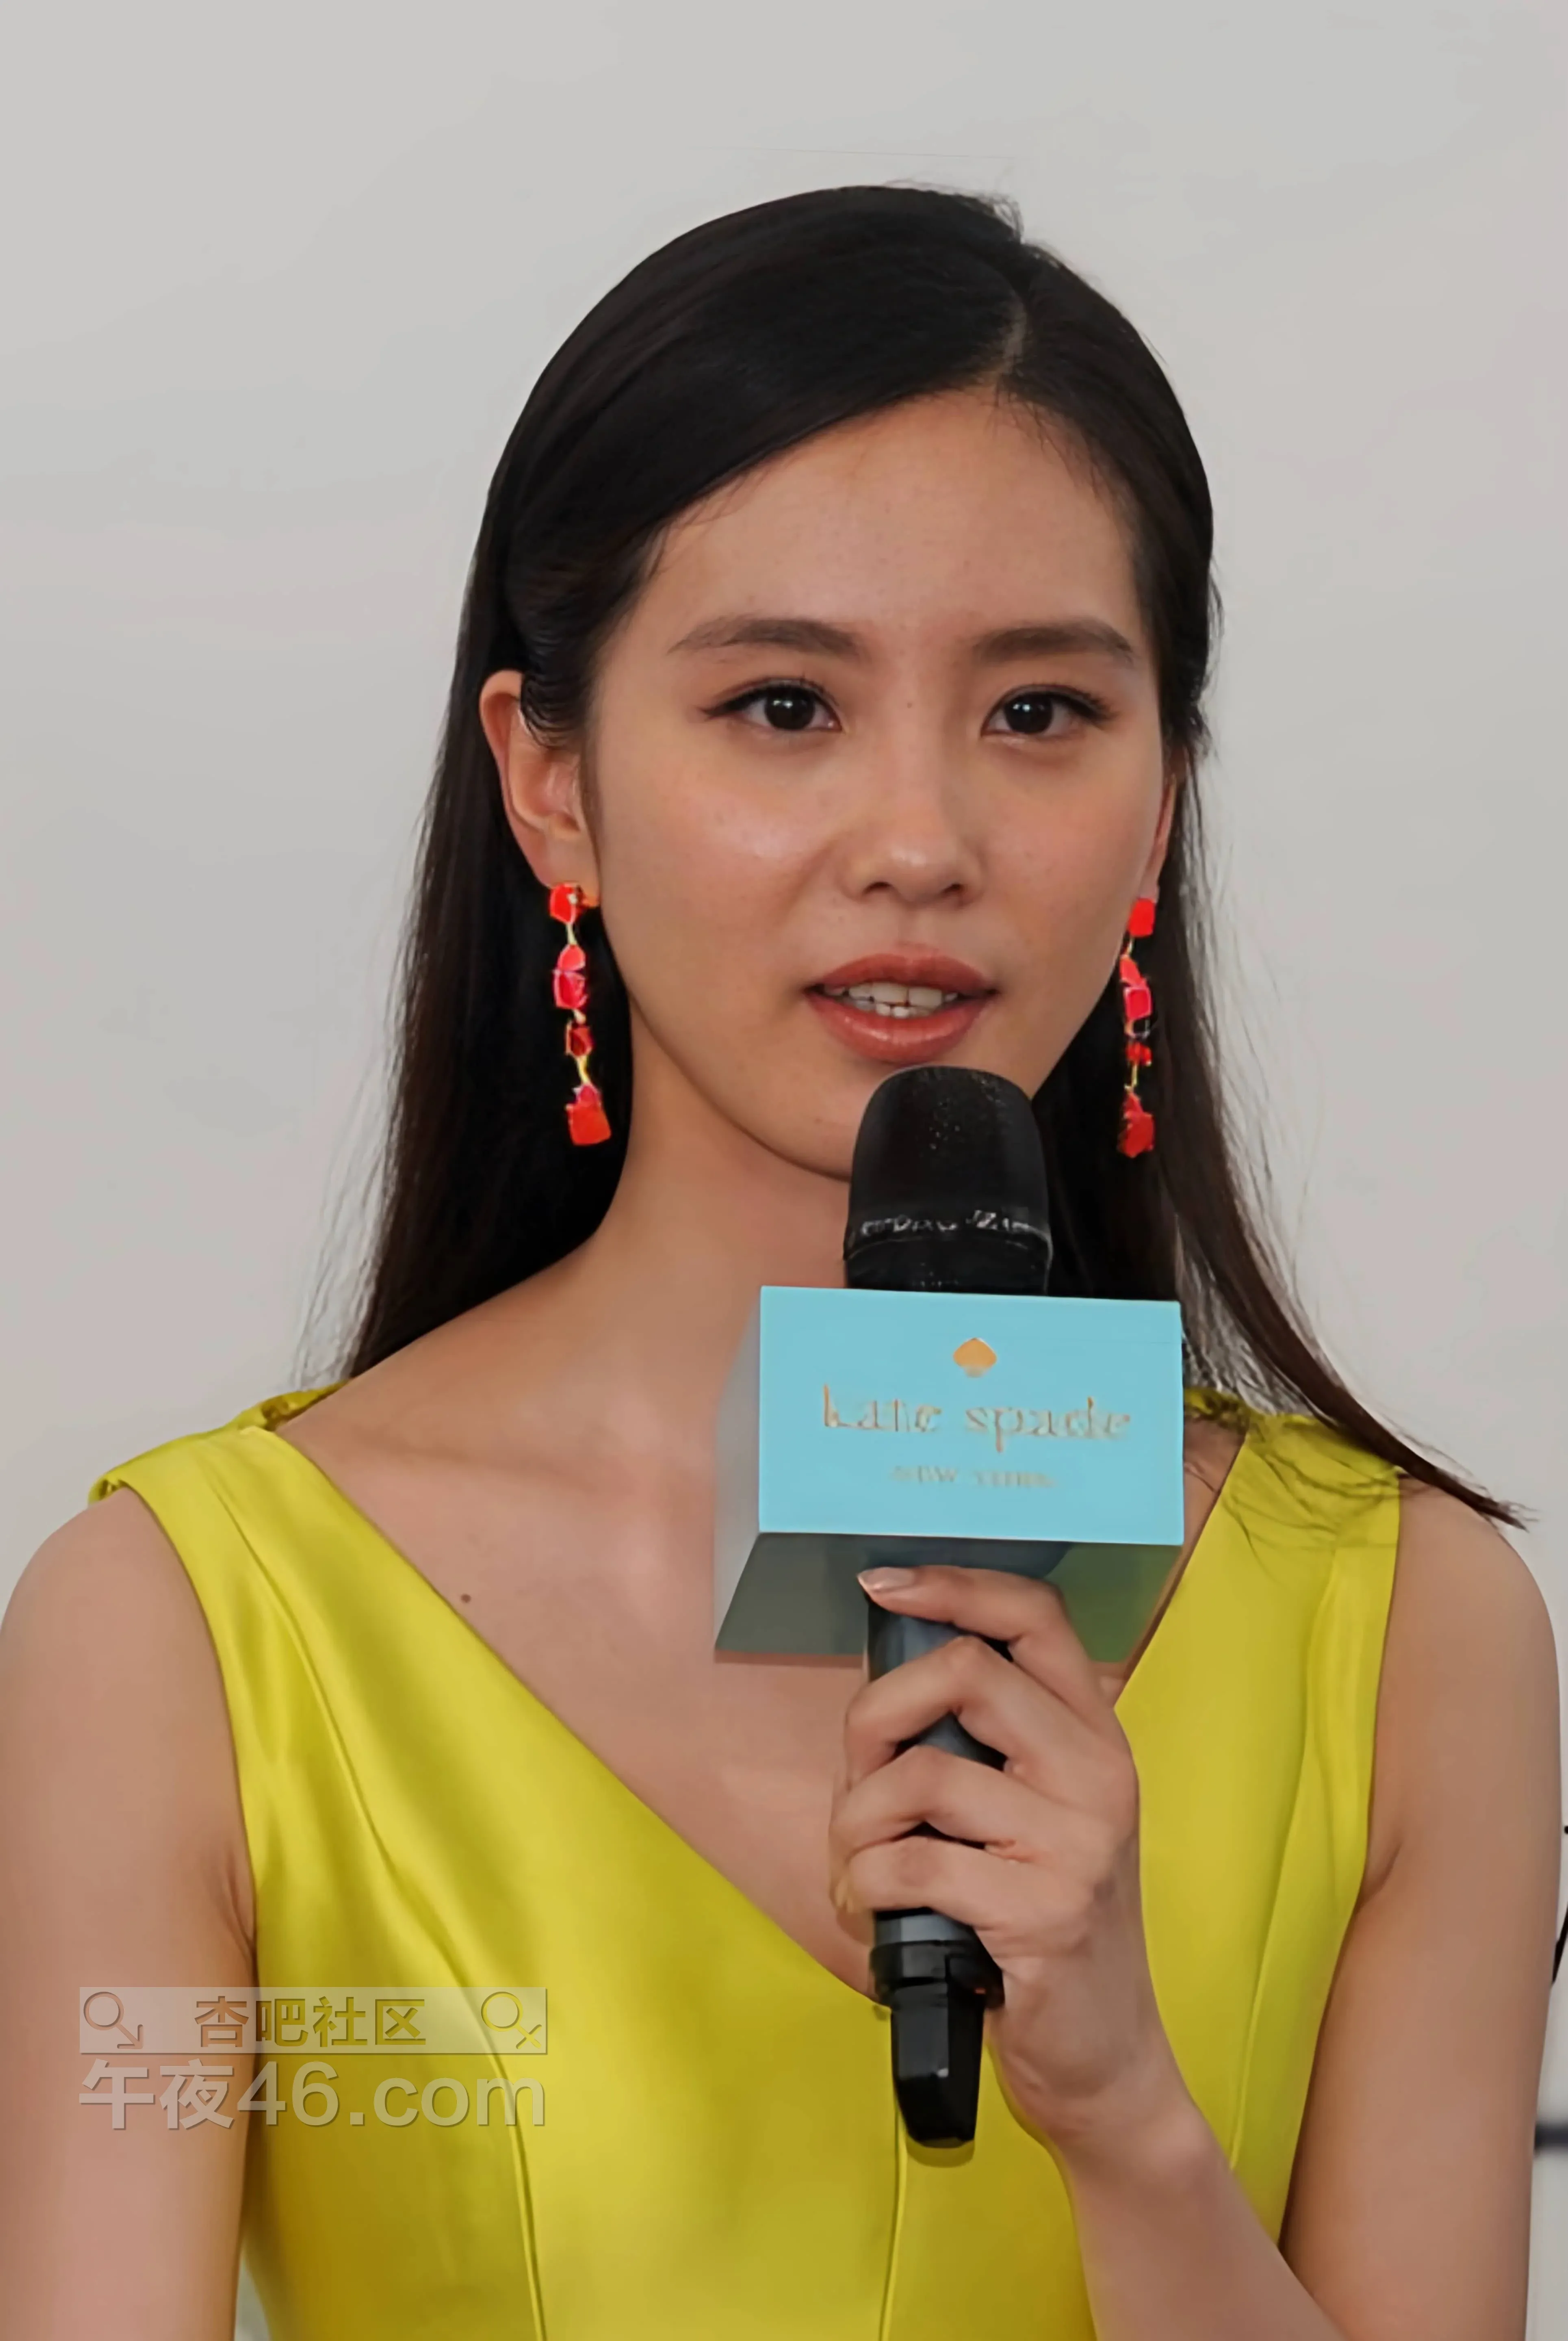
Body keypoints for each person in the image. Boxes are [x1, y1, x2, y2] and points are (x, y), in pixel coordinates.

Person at [0, 185, 1558, 2341]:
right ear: (551, 781)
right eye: (784, 705)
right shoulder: (183, 1630)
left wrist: (1129, 2122)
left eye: (1040, 712)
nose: (919, 842)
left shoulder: (1410, 1633)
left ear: (1161, 804)